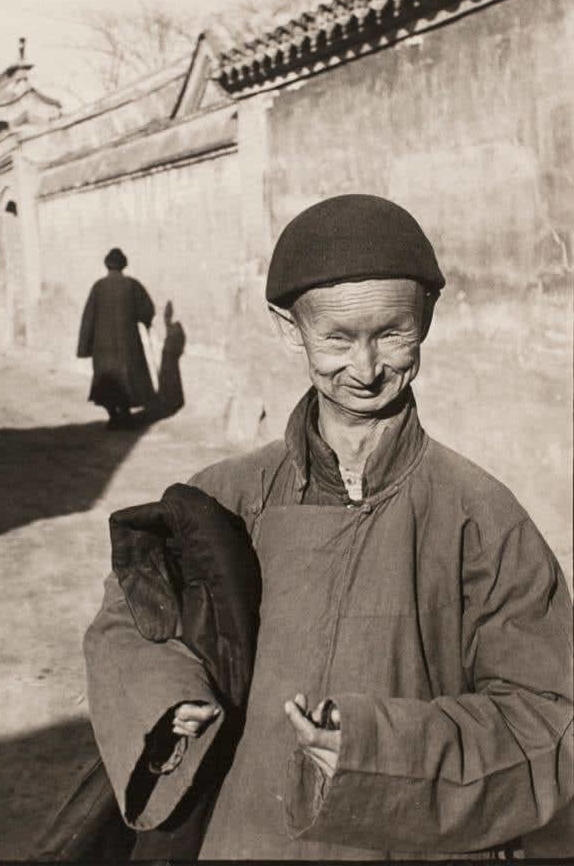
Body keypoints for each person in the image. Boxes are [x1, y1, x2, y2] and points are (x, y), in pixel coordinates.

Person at [83, 196, 573, 859]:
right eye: (337, 338)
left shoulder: (480, 516)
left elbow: (548, 714)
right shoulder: (224, 497)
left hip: (411, 837)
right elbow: (129, 623)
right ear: (290, 328)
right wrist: (172, 699)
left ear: (426, 317)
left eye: (394, 334)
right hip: (243, 833)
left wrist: (378, 748)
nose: (367, 369)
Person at [77, 248, 155, 429]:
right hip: (127, 343)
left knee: (107, 379)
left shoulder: (98, 287)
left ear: (106, 265)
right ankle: (126, 414)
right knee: (127, 377)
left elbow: (88, 318)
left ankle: (113, 416)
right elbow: (147, 309)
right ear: (124, 265)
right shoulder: (132, 285)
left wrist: (84, 347)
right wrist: (145, 321)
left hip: (103, 345)